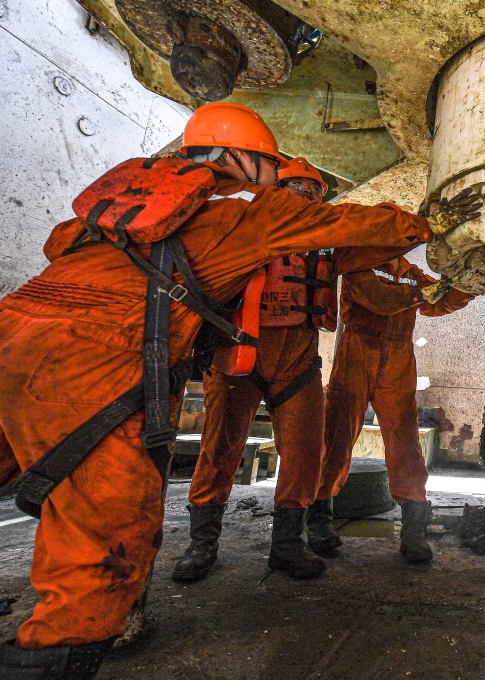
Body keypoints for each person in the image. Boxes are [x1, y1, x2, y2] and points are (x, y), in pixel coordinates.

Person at [0, 102, 480, 678]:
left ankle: (288, 540)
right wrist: (425, 220)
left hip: (16, 328)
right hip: (112, 358)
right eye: (277, 172)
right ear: (240, 161)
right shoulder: (252, 215)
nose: (289, 188)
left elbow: (58, 245)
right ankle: (72, 643)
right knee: (106, 543)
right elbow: (366, 227)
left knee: (303, 451)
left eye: (304, 186)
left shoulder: (141, 206)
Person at [172, 158, 338, 583]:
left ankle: (287, 546)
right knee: (219, 449)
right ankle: (202, 544)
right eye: (298, 188)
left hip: (297, 359)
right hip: (237, 356)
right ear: (276, 191)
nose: (306, 197)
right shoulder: (243, 225)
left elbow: (373, 240)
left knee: (305, 452)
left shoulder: (328, 240)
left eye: (314, 192)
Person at [310, 256, 473, 564]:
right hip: (358, 347)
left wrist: (470, 285)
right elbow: (380, 300)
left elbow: (437, 303)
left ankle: (413, 532)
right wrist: (424, 292)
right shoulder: (359, 265)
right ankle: (318, 520)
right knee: (337, 435)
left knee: (405, 442)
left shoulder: (411, 272)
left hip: (399, 353)